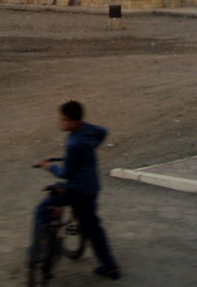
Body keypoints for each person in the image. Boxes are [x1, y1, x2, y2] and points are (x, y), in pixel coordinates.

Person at [34, 100, 121, 280]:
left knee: (42, 209)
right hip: (91, 187)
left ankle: (36, 252)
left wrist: (47, 166)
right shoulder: (87, 129)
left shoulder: (73, 143)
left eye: (64, 119)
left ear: (74, 122)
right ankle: (109, 265)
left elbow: (66, 173)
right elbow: (103, 132)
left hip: (76, 191)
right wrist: (90, 148)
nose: (60, 122)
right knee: (93, 227)